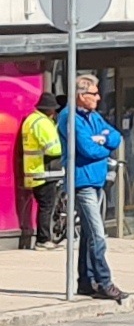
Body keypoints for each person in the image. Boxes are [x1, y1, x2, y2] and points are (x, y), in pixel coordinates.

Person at [57, 76, 127, 300]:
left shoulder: (93, 116)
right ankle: (104, 282)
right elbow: (87, 149)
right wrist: (103, 147)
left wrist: (103, 140)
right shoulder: (70, 117)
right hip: (82, 182)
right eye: (94, 94)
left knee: (88, 234)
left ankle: (86, 282)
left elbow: (115, 136)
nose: (98, 98)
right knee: (98, 234)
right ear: (81, 95)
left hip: (97, 180)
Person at [19, 92, 62, 250]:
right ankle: (43, 240)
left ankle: (42, 238)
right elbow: (54, 149)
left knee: (43, 206)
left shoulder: (31, 119)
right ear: (49, 110)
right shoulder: (43, 123)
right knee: (47, 206)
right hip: (45, 171)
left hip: (34, 170)